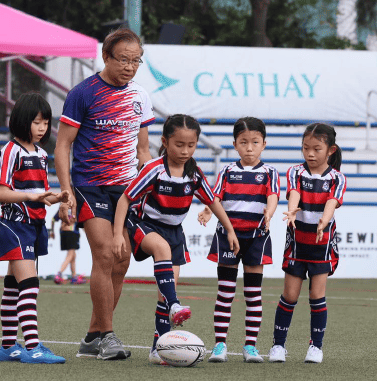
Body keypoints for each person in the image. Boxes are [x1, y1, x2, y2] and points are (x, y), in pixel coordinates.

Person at [56, 27, 155, 360]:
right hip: (90, 185)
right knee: (104, 253)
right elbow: (63, 145)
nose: (129, 66)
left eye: (136, 61)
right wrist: (66, 190)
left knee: (122, 260)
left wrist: (151, 180)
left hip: (125, 190)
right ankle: (109, 337)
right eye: (123, 59)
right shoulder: (83, 93)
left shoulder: (140, 96)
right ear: (106, 57)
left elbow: (143, 149)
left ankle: (92, 336)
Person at [111, 114, 240, 365]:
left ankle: (157, 349)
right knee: (161, 250)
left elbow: (212, 201)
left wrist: (230, 229)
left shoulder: (194, 174)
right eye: (179, 145)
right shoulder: (154, 169)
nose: (185, 150)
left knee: (163, 292)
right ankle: (175, 304)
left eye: (191, 145)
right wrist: (118, 234)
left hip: (175, 233)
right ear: (165, 142)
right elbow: (125, 199)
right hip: (145, 225)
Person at [0, 92, 69, 364]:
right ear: (22, 120)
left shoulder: (41, 154)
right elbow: (2, 193)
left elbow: (40, 194)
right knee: (30, 285)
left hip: (34, 226)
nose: (42, 128)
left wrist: (57, 197)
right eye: (37, 122)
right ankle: (33, 347)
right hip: (14, 226)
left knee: (14, 286)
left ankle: (8, 347)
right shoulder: (10, 150)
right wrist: (32, 197)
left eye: (46, 123)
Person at [198, 117, 280, 363]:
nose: (250, 147)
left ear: (264, 144)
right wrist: (207, 210)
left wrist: (270, 211)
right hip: (228, 237)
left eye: (255, 142)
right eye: (244, 142)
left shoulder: (269, 172)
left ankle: (250, 347)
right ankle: (220, 345)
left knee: (253, 293)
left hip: (256, 237)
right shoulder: (227, 171)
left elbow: (274, 195)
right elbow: (215, 196)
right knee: (225, 292)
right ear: (235, 144)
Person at [268, 123, 346, 364]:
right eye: (305, 148)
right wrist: (292, 211)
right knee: (289, 296)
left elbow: (332, 201)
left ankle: (316, 347)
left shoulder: (337, 178)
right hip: (297, 242)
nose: (310, 153)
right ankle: (278, 346)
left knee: (316, 296)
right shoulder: (295, 172)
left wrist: (325, 219)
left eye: (316, 149)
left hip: (322, 243)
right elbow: (295, 193)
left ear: (330, 150)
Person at [50, 208, 84, 285]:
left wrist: (52, 231)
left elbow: (53, 219)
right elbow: (82, 222)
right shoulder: (76, 207)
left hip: (63, 232)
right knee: (70, 255)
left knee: (73, 256)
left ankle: (74, 277)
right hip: (72, 232)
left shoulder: (63, 207)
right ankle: (59, 274)